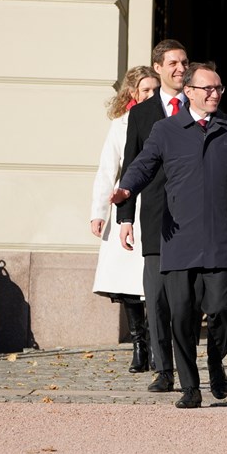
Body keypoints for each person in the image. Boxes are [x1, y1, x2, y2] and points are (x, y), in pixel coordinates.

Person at [113, 62, 227, 409]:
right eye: (207, 88)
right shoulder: (166, 130)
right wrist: (126, 191)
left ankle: (216, 361)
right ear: (189, 91)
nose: (214, 94)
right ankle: (190, 388)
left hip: (221, 239)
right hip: (178, 240)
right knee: (181, 314)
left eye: (219, 88)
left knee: (222, 309)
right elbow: (143, 165)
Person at [116, 39, 188, 393]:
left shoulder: (201, 105)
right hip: (157, 216)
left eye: (184, 62)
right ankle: (164, 369)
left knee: (187, 299)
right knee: (156, 296)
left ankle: (189, 365)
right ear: (157, 67)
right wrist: (125, 217)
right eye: (173, 63)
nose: (180, 68)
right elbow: (131, 166)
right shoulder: (141, 115)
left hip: (194, 218)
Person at [88, 66, 160, 373]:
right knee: (129, 285)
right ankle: (139, 346)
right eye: (146, 91)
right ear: (133, 94)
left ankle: (159, 346)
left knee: (155, 284)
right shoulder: (121, 124)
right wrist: (98, 212)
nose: (151, 96)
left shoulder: (168, 120)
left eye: (155, 90)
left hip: (157, 206)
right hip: (128, 206)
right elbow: (108, 169)